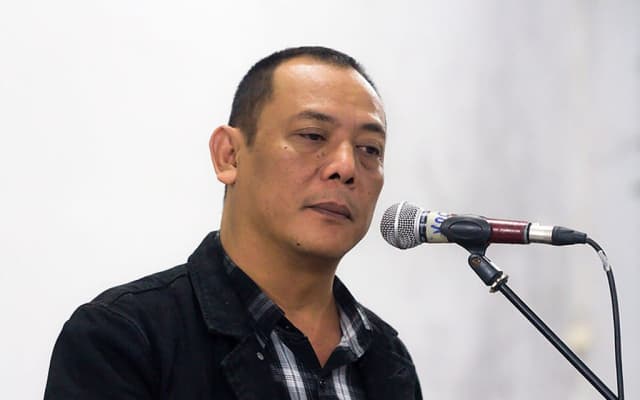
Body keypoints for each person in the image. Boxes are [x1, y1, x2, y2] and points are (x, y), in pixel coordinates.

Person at [44, 46, 422, 400]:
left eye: (369, 149)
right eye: (313, 136)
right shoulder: (123, 337)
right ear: (229, 155)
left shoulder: (389, 360)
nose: (346, 166)